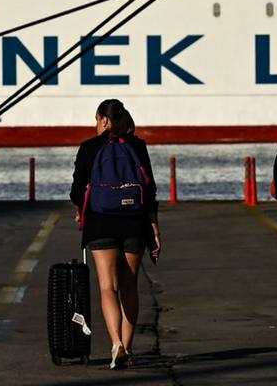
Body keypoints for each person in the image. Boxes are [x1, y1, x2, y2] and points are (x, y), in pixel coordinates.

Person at [69, 99, 160, 370]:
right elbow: (150, 188)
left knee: (108, 286)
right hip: (134, 222)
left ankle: (116, 343)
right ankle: (128, 349)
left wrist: (79, 211)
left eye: (97, 119)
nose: (96, 124)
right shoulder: (137, 146)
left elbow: (76, 191)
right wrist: (153, 224)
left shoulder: (88, 148)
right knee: (129, 286)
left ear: (104, 121)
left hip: (100, 223)